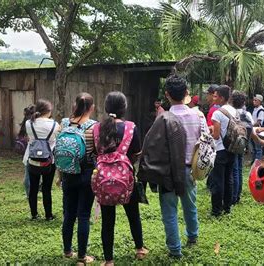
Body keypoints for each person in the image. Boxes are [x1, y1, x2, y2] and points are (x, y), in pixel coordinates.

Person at [140, 75, 204, 258]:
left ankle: (175, 250)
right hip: (189, 169)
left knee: (169, 210)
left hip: (167, 172)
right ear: (186, 93)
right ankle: (192, 237)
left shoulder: (163, 117)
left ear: (167, 94)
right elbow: (206, 143)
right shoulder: (198, 115)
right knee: (190, 205)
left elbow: (153, 145)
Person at [94, 91, 148, 265]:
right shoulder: (131, 127)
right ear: (124, 108)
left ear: (106, 107)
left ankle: (109, 261)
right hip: (127, 178)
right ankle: (140, 249)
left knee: (107, 221)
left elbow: (95, 152)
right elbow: (137, 152)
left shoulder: (96, 128)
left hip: (104, 180)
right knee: (133, 215)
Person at [61, 93, 97, 264]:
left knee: (68, 214)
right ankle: (82, 257)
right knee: (83, 215)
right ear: (92, 108)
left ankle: (67, 251)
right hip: (86, 173)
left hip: (67, 173)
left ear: (74, 105)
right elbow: (97, 152)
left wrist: (59, 175)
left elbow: (61, 151)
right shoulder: (94, 126)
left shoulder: (64, 122)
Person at [23, 99, 60, 220]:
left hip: (32, 159)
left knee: (33, 187)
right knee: (46, 188)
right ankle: (48, 215)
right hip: (49, 160)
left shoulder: (29, 123)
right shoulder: (55, 125)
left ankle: (34, 214)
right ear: (49, 111)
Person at [207, 85, 238, 216]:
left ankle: (216, 210)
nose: (214, 98)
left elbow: (216, 134)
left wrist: (210, 131)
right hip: (232, 148)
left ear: (221, 97)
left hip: (220, 149)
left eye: (215, 96)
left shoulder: (217, 113)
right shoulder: (234, 110)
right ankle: (227, 208)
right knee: (229, 178)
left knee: (218, 180)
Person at [231, 91, 253, 205]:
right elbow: (251, 129)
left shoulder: (231, 113)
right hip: (243, 144)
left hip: (232, 146)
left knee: (234, 170)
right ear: (243, 102)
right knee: (239, 169)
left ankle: (233, 197)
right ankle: (237, 195)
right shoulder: (247, 114)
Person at [18, 105, 35, 198]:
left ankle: (30, 195)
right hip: (39, 153)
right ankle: (31, 194)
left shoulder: (27, 123)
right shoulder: (31, 124)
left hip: (29, 153)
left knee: (28, 175)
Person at [251, 94, 264, 161]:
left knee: (258, 148)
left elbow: (259, 122)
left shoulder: (261, 110)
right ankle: (254, 161)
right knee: (254, 148)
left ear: (260, 101)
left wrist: (250, 125)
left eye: (255, 100)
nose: (253, 101)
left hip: (258, 131)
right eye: (253, 100)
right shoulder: (255, 109)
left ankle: (257, 162)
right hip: (254, 131)